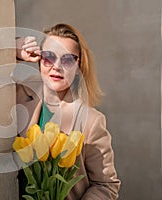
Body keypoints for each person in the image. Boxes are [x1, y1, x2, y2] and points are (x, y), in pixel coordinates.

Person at [15, 23, 121, 199]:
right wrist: (15, 50)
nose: (57, 66)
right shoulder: (17, 95)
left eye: (67, 59)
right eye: (49, 56)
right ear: (39, 59)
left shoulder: (90, 121)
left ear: (79, 67)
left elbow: (106, 185)